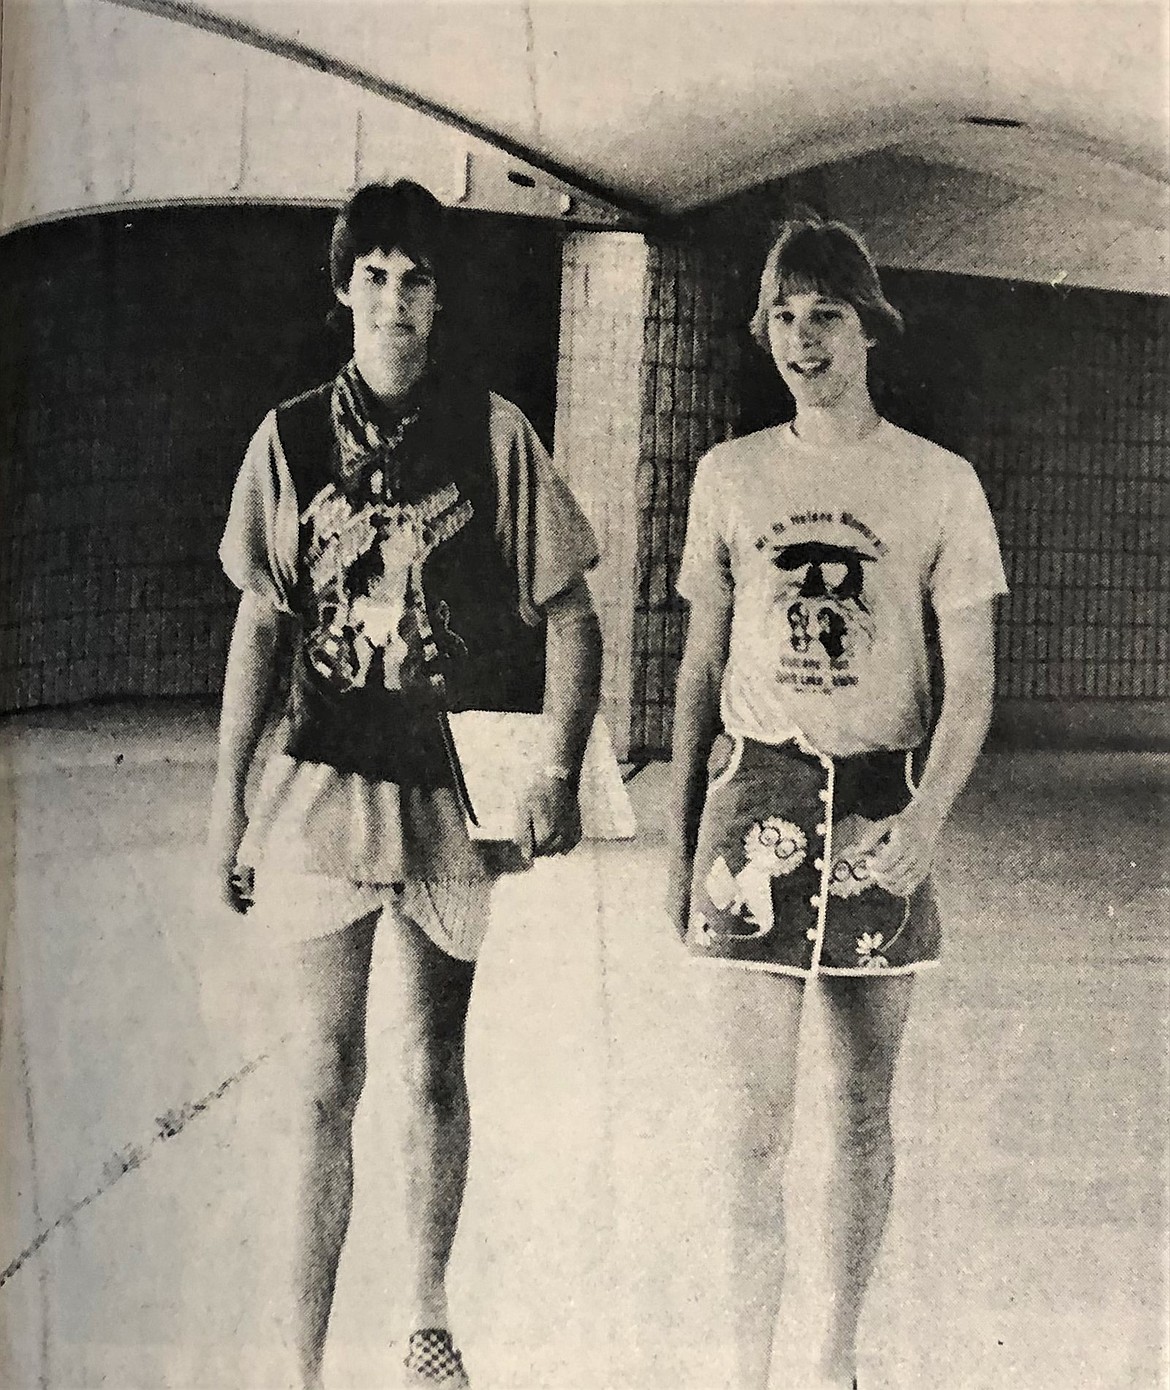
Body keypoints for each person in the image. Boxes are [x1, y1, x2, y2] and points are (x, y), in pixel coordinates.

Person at [208, 180, 601, 1390]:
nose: (395, 300)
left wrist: (558, 768)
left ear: (440, 297)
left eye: (416, 278)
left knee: (431, 1059)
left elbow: (573, 615)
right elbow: (262, 633)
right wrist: (228, 808)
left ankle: (426, 1318)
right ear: (343, 290)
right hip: (324, 784)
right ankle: (297, 1358)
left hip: (444, 790)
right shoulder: (286, 440)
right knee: (324, 1076)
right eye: (373, 276)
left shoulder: (491, 434)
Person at [666, 216, 1007, 1390]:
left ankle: (832, 1359)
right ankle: (742, 1369)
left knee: (860, 1113)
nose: (803, 340)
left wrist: (924, 825)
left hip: (877, 806)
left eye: (826, 314)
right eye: (783, 316)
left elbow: (972, 687)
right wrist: (678, 842)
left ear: (870, 325)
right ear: (761, 329)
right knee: (749, 1128)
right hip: (753, 795)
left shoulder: (938, 483)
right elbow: (699, 669)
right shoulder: (730, 476)